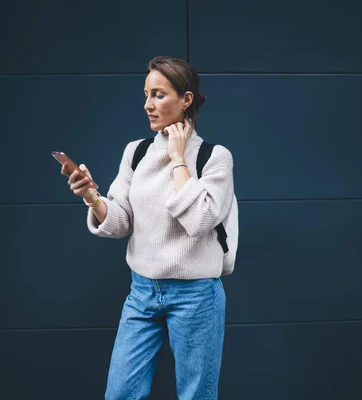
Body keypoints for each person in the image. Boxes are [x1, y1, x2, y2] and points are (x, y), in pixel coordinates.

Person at [61, 56, 234, 400]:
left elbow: (199, 222)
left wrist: (178, 157)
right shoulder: (135, 153)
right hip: (142, 293)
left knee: (196, 395)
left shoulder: (214, 158)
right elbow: (121, 220)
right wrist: (93, 198)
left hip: (195, 296)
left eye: (158, 95)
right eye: (146, 94)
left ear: (186, 100)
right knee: (121, 393)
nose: (147, 105)